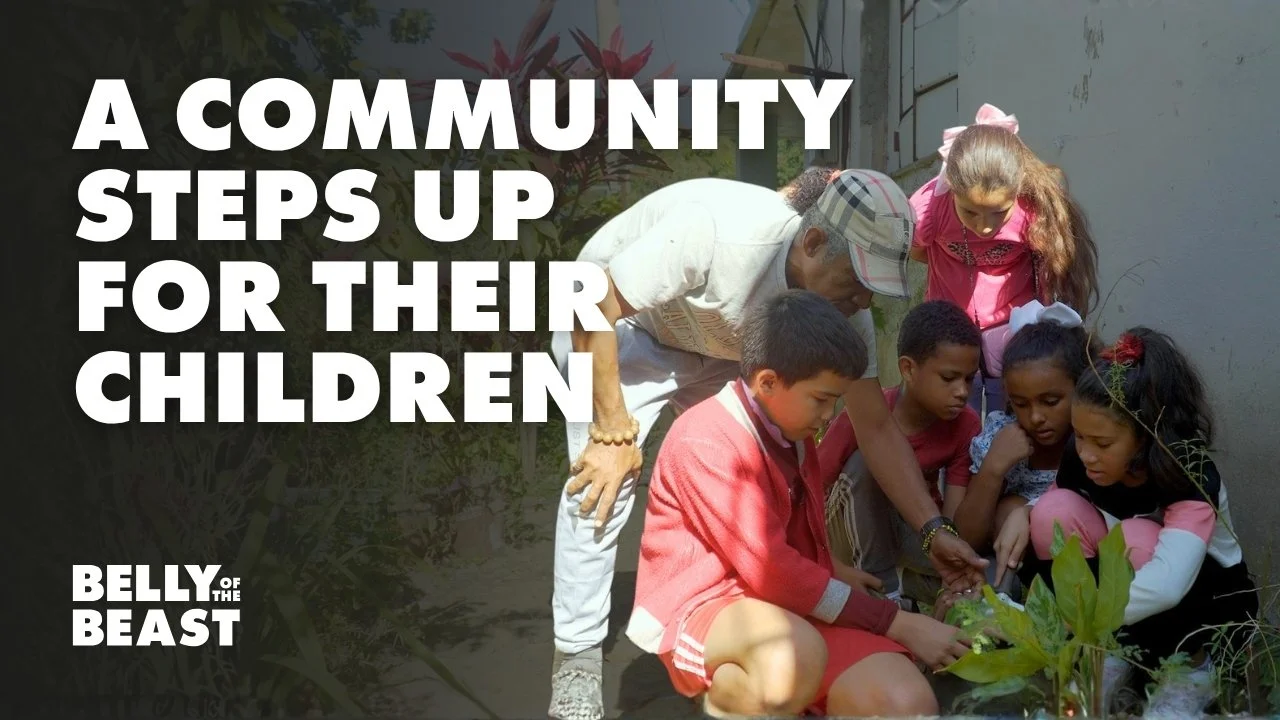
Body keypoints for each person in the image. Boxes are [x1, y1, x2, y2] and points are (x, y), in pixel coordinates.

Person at [548, 169, 988, 720]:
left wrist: (932, 529)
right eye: (853, 287)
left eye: (869, 294)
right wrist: (611, 428)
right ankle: (577, 655)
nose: (858, 303)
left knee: (759, 469)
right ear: (811, 244)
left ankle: (755, 594)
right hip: (621, 322)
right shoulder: (718, 234)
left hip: (725, 341)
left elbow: (875, 426)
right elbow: (593, 303)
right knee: (603, 483)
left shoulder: (836, 319)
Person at [627, 289, 969, 718]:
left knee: (906, 701)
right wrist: (896, 621)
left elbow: (796, 543)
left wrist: (835, 576)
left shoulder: (794, 431)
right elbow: (772, 569)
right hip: (707, 606)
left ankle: (790, 700)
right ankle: (730, 701)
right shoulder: (706, 440)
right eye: (822, 399)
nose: (829, 415)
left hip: (789, 607)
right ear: (767, 382)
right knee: (792, 658)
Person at [1024, 327, 1258, 716]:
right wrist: (1024, 513)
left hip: (1205, 607)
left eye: (1102, 444)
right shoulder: (1081, 455)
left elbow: (1167, 586)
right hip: (1125, 606)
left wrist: (1074, 621)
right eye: (1080, 437)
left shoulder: (1187, 473)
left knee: (1133, 539)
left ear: (1147, 436)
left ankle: (1191, 671)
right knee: (1053, 514)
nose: (1086, 454)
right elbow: (1056, 507)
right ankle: (1112, 654)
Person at [908, 103, 1100, 416]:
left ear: (1017, 191)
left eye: (999, 213)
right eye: (970, 211)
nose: (984, 226)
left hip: (1012, 327)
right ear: (951, 190)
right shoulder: (929, 209)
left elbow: (1053, 263)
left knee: (1010, 411)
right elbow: (918, 250)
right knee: (956, 414)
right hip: (949, 328)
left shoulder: (1033, 211)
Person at [820, 300, 984, 608]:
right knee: (866, 463)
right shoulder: (865, 416)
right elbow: (814, 488)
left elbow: (950, 519)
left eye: (969, 379)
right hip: (844, 528)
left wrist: (952, 550)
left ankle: (912, 589)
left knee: (985, 572)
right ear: (908, 368)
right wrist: (825, 564)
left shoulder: (966, 425)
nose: (962, 391)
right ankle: (886, 596)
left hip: (914, 529)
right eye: (949, 378)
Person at [952, 300, 1094, 589]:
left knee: (1016, 509)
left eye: (1050, 401)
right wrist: (993, 467)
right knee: (1006, 509)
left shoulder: (1092, 440)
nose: (1036, 417)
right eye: (1020, 404)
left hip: (1086, 560)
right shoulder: (1002, 436)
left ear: (1080, 387)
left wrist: (1029, 512)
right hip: (1015, 566)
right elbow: (966, 539)